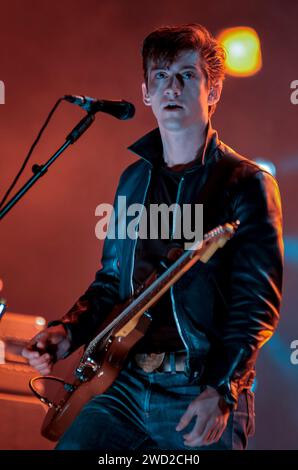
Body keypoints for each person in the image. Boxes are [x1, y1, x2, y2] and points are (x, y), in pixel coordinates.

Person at [22, 23, 283, 450]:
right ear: (145, 92)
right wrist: (66, 333)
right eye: (160, 76)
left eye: (186, 75)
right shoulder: (133, 180)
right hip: (121, 386)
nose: (172, 87)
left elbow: (256, 305)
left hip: (197, 388)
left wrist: (221, 388)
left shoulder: (246, 183)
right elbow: (110, 283)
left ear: (213, 91)